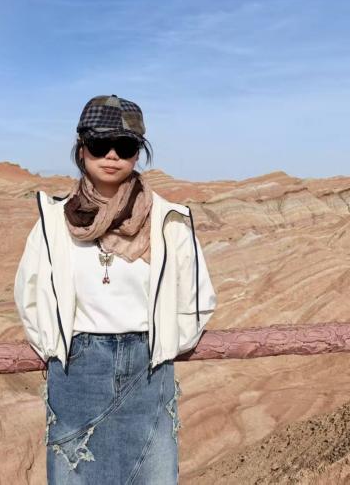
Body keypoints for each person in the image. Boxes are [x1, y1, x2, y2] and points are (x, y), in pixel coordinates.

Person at [14, 94, 217, 484]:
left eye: (124, 146)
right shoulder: (53, 221)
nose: (111, 155)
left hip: (149, 370)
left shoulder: (168, 220)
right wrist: (57, 349)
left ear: (137, 153)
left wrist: (162, 346)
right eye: (99, 144)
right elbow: (29, 294)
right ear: (81, 149)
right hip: (76, 371)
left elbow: (197, 298)